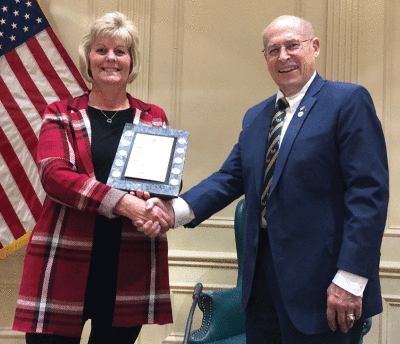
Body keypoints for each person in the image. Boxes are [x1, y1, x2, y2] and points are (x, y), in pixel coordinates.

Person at [138, 15, 389, 344]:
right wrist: (174, 211)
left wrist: (351, 279)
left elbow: (368, 196)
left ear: (314, 48)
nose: (283, 56)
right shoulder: (256, 116)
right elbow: (229, 178)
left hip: (325, 281)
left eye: (292, 46)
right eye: (273, 50)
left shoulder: (346, 101)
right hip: (262, 283)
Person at [13, 12, 174, 344]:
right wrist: (122, 202)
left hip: (129, 263)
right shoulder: (60, 112)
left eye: (120, 51)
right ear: (88, 59)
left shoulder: (152, 116)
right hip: (62, 258)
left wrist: (159, 200)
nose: (111, 58)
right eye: (101, 50)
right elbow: (54, 175)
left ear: (131, 62)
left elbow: (164, 182)